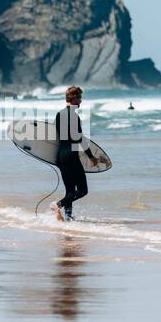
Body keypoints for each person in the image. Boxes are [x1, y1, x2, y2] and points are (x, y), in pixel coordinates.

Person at [50, 86, 104, 221]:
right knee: (82, 190)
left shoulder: (59, 114)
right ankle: (58, 205)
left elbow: (55, 136)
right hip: (71, 156)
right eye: (79, 97)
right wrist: (91, 157)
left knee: (70, 191)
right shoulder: (74, 116)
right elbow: (80, 138)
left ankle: (68, 218)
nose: (81, 101)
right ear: (72, 98)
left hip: (61, 156)